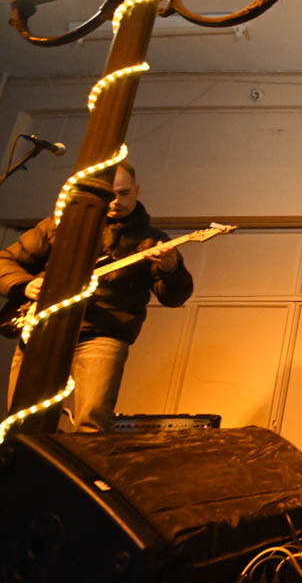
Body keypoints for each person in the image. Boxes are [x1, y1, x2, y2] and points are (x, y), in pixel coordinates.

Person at [1, 161, 193, 432]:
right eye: (109, 195)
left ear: (137, 191)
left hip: (103, 335)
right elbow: (5, 260)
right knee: (21, 420)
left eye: (124, 193)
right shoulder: (58, 226)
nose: (116, 202)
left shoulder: (153, 241)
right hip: (44, 327)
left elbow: (173, 297)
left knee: (92, 421)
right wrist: (24, 286)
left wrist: (171, 269)